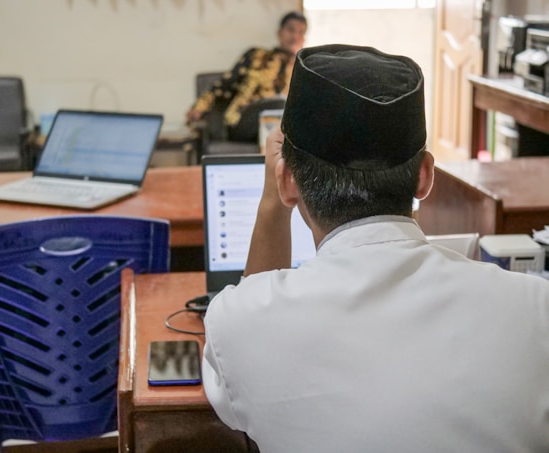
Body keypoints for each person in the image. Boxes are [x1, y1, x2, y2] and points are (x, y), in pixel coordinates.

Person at [201, 44, 549, 452]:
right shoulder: (536, 308)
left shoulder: (239, 323)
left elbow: (251, 321)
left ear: (287, 183)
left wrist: (271, 205)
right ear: (424, 176)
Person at [185, 11, 307, 136]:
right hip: (245, 119)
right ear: (280, 33)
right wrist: (198, 108)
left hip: (282, 124)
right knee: (280, 107)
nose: (295, 37)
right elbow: (225, 85)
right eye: (291, 30)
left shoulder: (304, 68)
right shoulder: (257, 55)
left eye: (301, 32)